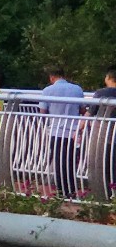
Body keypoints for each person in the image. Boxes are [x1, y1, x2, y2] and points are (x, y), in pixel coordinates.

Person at [46, 66, 86, 200]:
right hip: (73, 132)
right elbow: (82, 109)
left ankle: (61, 190)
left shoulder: (48, 90)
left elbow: (42, 111)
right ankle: (71, 190)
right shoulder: (77, 89)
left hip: (56, 131)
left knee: (58, 162)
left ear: (52, 77)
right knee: (69, 161)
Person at [91, 69, 116, 198]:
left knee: (107, 165)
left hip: (105, 135)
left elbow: (92, 111)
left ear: (108, 78)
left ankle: (107, 194)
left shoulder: (101, 93)